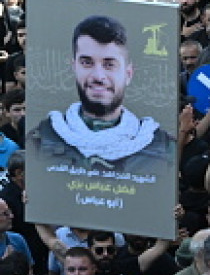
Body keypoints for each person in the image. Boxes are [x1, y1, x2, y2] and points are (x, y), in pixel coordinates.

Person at [28, 15, 175, 172]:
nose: (98, 76)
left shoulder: (164, 148)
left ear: (128, 74)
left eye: (109, 64)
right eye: (87, 63)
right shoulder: (40, 139)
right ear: (74, 67)